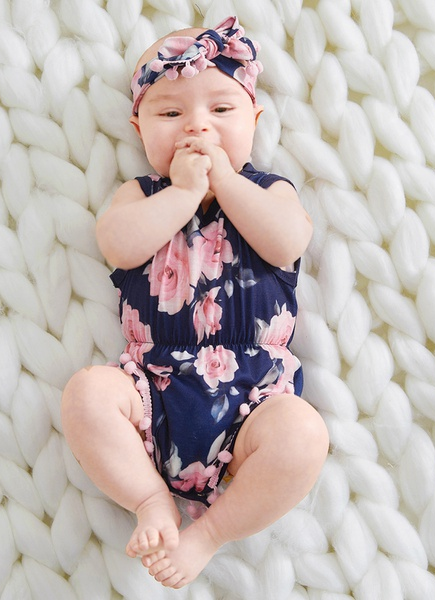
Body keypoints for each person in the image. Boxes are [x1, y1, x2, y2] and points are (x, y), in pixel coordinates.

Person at [61, 16, 329, 589]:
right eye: (171, 113)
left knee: (304, 438)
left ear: (255, 120)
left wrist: (227, 182)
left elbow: (287, 241)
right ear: (139, 128)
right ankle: (149, 497)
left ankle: (208, 534)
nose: (197, 128)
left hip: (254, 396)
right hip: (151, 383)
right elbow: (118, 243)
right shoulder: (142, 194)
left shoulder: (269, 190)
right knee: (86, 396)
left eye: (222, 111)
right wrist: (184, 192)